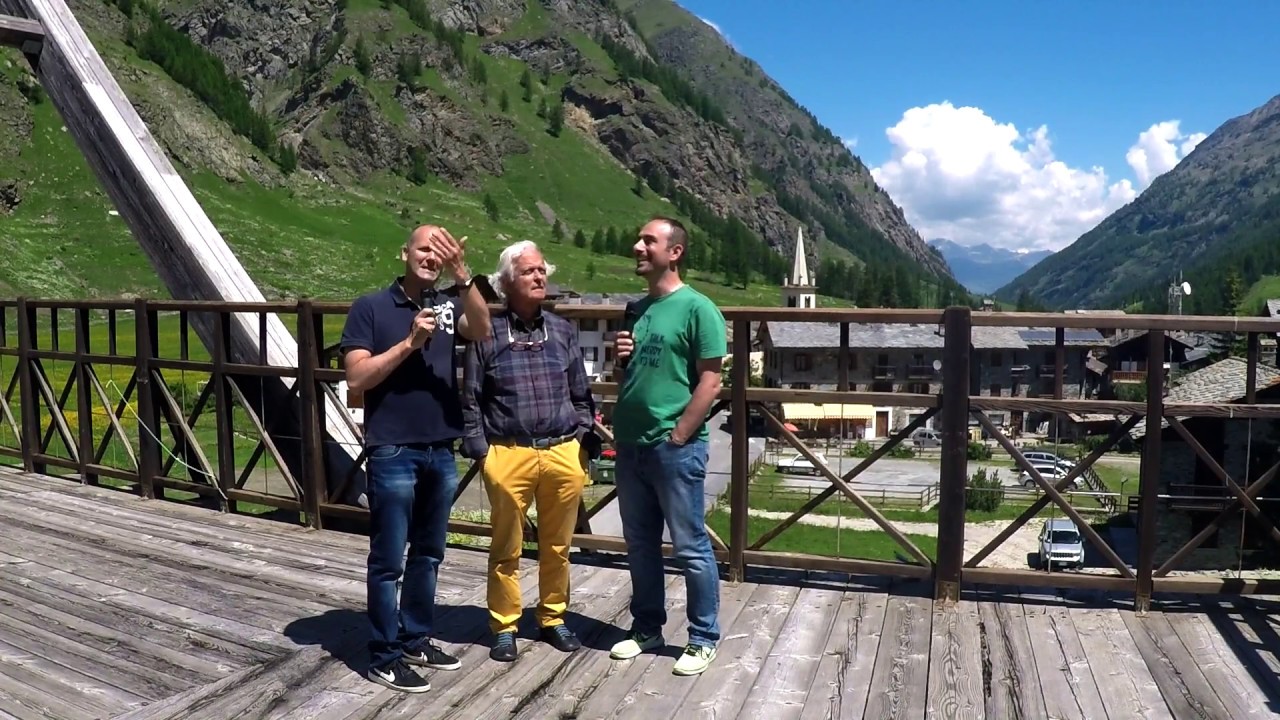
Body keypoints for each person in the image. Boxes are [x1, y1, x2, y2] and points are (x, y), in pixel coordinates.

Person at [340, 224, 492, 693]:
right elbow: (357, 378)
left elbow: (483, 330)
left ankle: (416, 637)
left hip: (439, 449)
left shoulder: (448, 304)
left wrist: (463, 274)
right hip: (393, 449)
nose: (430, 257)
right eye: (423, 249)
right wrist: (409, 345)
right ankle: (384, 654)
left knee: (428, 554)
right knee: (389, 559)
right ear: (404, 252)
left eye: (438, 253)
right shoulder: (371, 306)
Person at [460, 240, 600, 662]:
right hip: (507, 453)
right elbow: (470, 397)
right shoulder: (485, 333)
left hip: (562, 451)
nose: (540, 277)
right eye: (529, 272)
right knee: (506, 546)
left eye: (542, 270)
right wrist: (483, 453)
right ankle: (504, 625)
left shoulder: (561, 330)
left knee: (558, 545)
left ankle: (553, 618)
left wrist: (580, 436)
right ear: (506, 283)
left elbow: (581, 392)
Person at [609, 216, 726, 677]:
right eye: (639, 239)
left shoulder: (699, 308)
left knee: (690, 546)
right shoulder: (635, 310)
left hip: (673, 448)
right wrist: (621, 361)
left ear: (674, 252)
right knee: (639, 545)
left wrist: (679, 435)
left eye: (648, 241)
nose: (637, 246)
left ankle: (702, 637)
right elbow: (632, 377)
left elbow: (711, 380)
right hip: (631, 444)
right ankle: (647, 628)